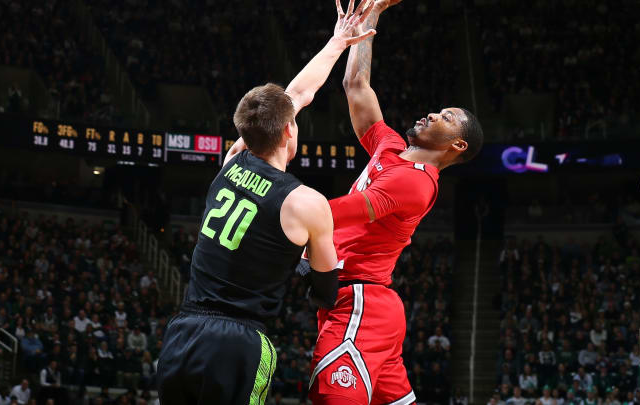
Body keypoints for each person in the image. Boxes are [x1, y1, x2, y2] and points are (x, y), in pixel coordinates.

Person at [155, 2, 378, 404]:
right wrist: (301, 260)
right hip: (239, 341)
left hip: (183, 330)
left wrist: (338, 41)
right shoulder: (305, 202)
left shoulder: (231, 159)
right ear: (290, 128)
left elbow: (296, 95)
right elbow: (325, 290)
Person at [306, 0, 484, 404]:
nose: (432, 113)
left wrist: (274, 202)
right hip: (360, 301)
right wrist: (370, 19)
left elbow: (336, 213)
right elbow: (356, 87)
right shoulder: (391, 148)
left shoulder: (415, 184)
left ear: (457, 144)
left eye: (445, 116)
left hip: (361, 303)